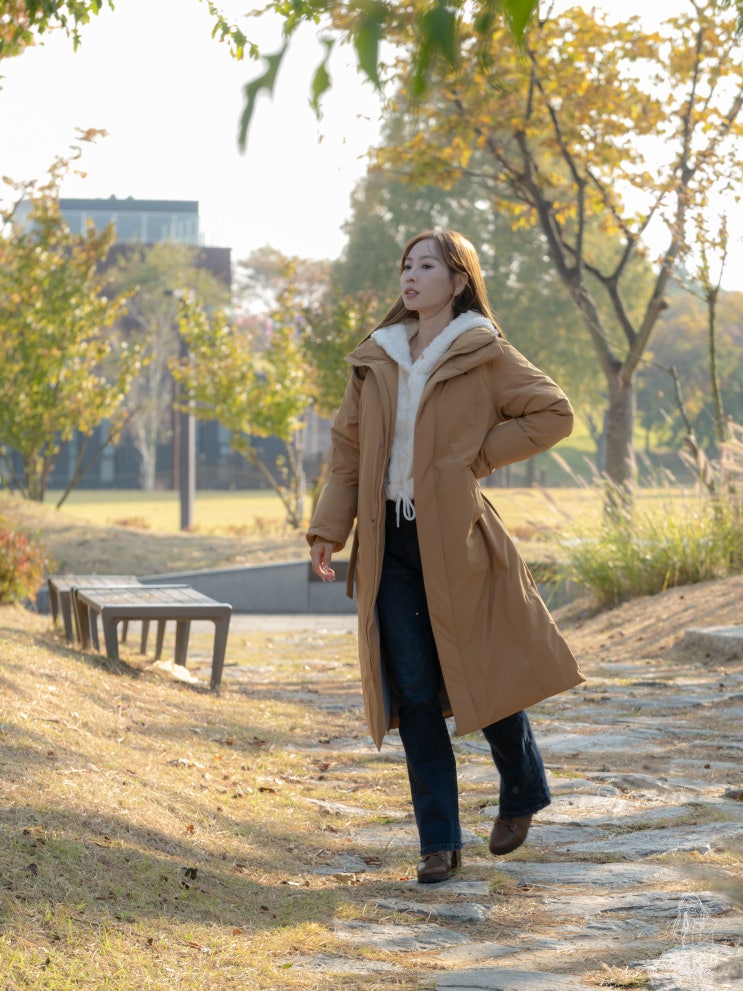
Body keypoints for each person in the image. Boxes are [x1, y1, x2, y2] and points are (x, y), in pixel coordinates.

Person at [307, 229, 584, 884]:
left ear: (458, 280)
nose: (409, 275)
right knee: (413, 690)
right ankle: (438, 841)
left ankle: (522, 787)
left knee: (480, 670)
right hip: (388, 542)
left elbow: (552, 412)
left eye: (425, 265)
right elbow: (347, 451)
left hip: (457, 537)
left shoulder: (483, 351)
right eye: (405, 265)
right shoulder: (375, 358)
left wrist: (474, 458)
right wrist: (328, 529)